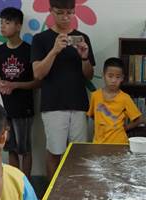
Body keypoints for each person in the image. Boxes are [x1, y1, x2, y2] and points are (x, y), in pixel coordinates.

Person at [31, 0, 95, 179]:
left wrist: (84, 58)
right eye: (60, 12)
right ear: (51, 11)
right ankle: (51, 198)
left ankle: (76, 192)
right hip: (53, 105)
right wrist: (54, 51)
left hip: (79, 104)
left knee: (79, 153)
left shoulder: (82, 38)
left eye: (69, 12)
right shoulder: (40, 39)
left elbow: (89, 75)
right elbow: (38, 74)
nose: (66, 17)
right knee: (55, 152)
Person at [0, 6, 40, 179]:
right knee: (10, 147)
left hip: (24, 107)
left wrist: (15, 85)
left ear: (18, 26)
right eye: (1, 22)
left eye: (8, 22)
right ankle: (15, 183)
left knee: (24, 148)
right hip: (4, 108)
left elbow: (38, 82)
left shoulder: (29, 50)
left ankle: (26, 185)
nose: (3, 26)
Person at [87, 57, 142, 144]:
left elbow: (138, 120)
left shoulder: (125, 98)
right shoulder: (95, 95)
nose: (113, 80)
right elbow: (92, 116)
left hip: (119, 143)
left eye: (117, 77)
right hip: (98, 143)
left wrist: (125, 128)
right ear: (103, 75)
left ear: (122, 78)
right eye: (110, 76)